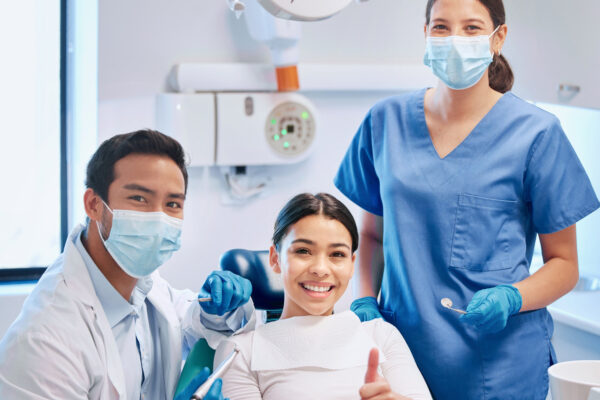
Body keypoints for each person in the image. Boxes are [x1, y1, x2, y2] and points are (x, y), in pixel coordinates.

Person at [334, 0, 600, 399]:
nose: (455, 40)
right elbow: (370, 237)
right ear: (425, 33)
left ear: (499, 38)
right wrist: (365, 302)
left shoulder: (537, 134)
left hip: (498, 365)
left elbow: (564, 265)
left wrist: (512, 297)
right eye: (441, 27)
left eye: (472, 28)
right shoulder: (384, 121)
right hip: (401, 352)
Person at [0, 129, 255, 400]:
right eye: (139, 198)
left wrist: (217, 309)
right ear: (94, 204)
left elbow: (192, 326)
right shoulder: (45, 339)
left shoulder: (144, 283)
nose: (158, 218)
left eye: (172, 203)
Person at [214, 193, 432, 400]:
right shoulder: (240, 351)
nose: (320, 269)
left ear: (351, 264)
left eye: (337, 254)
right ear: (275, 258)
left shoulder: (381, 336)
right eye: (303, 251)